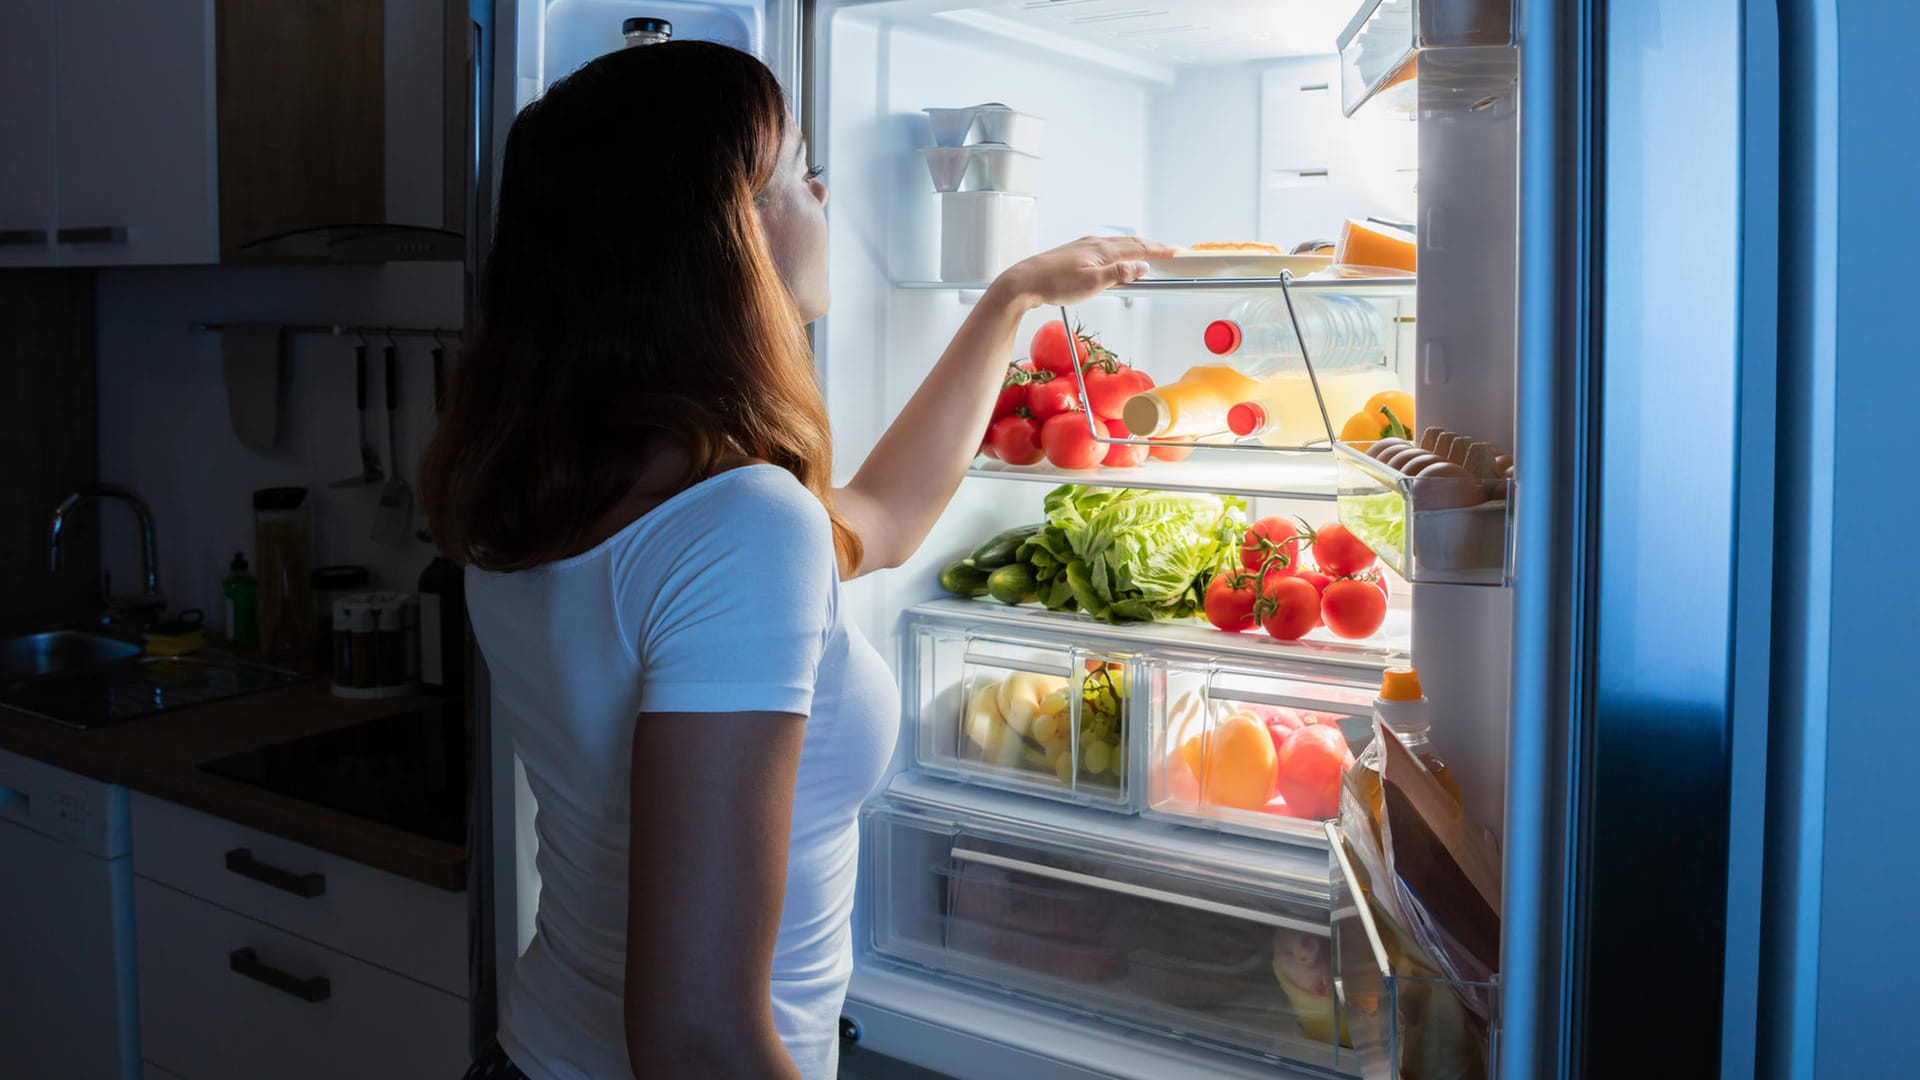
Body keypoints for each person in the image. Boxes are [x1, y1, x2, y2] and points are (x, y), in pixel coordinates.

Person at [422, 41, 1170, 1080]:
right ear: (724, 237)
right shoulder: (739, 524)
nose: (824, 193)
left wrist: (1010, 300)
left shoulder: (545, 489)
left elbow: (883, 515)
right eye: (798, 174)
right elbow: (695, 1040)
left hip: (537, 1051)